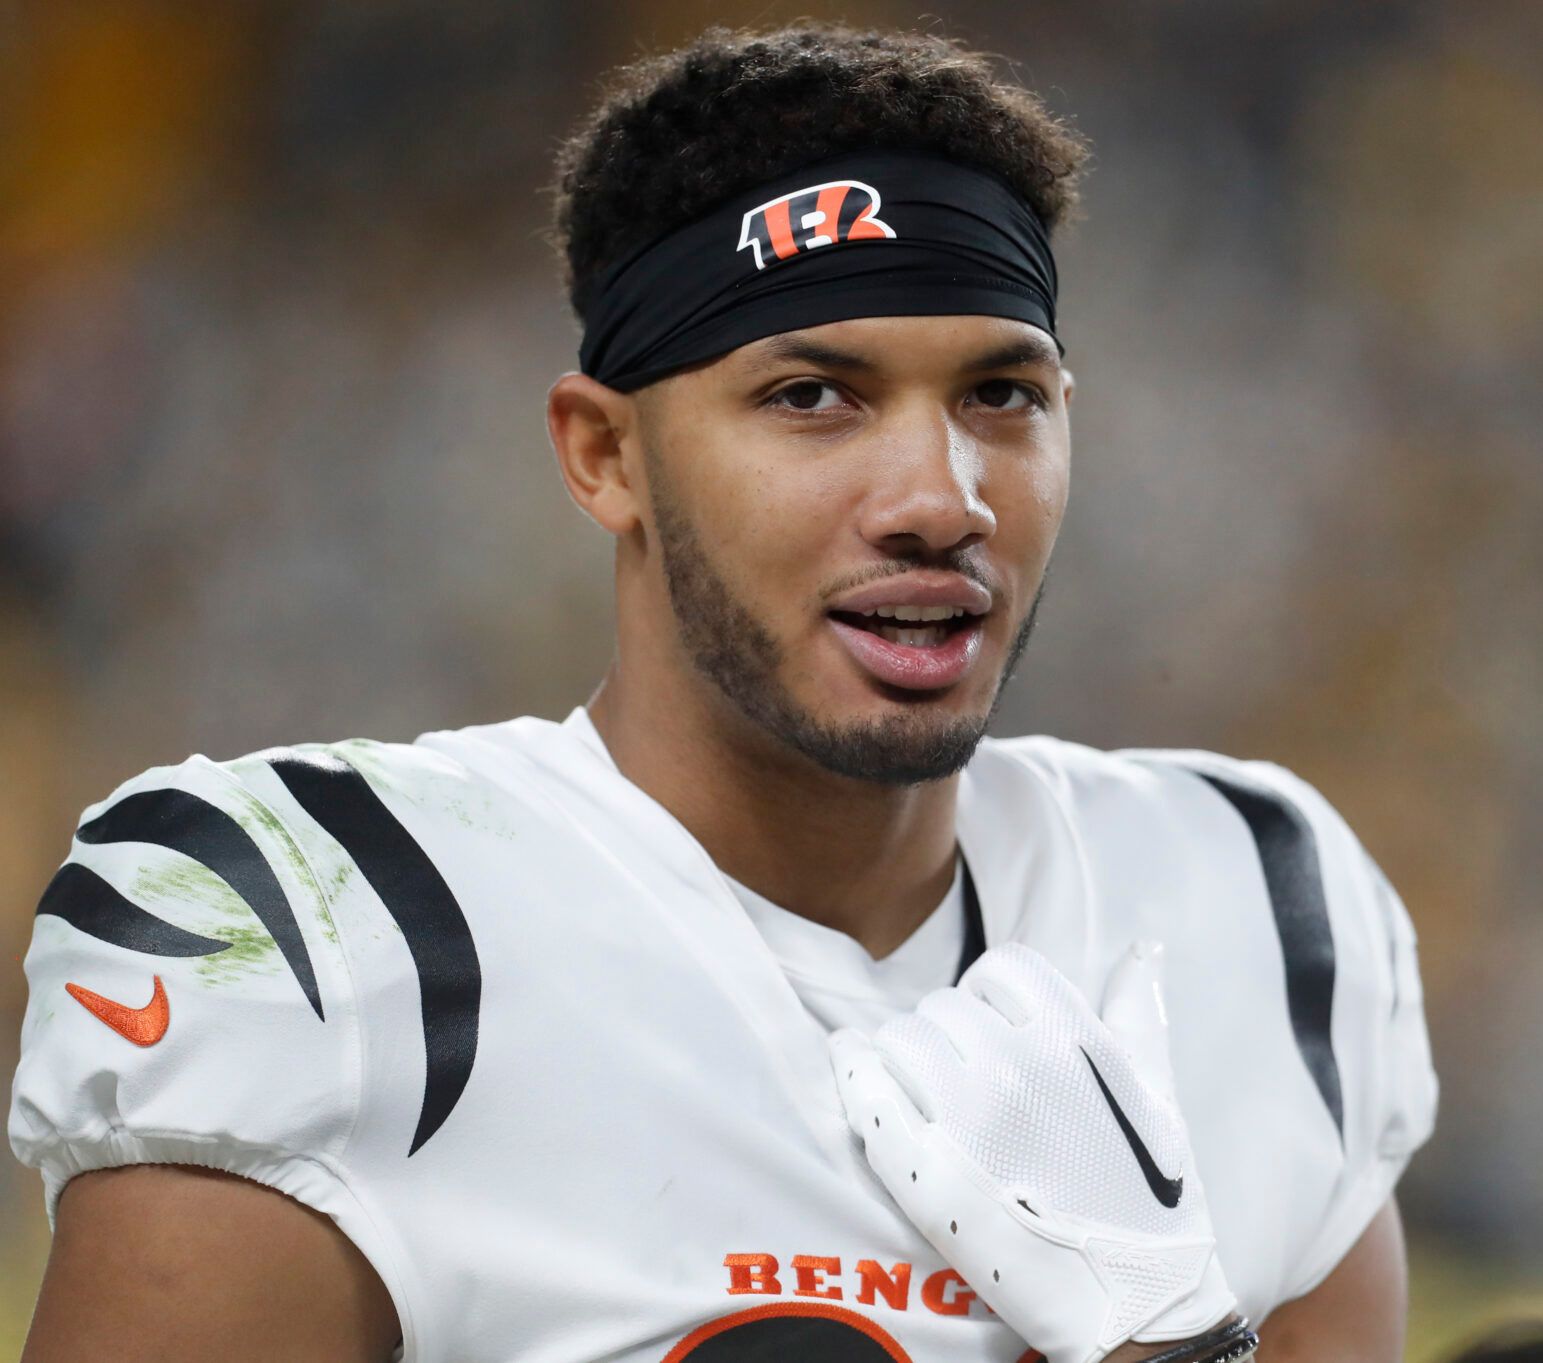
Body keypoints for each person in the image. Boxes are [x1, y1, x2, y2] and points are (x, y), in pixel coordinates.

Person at [9, 24, 1437, 1363]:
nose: (942, 501)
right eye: (812, 396)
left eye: (1003, 395)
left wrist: (1164, 1336)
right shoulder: (325, 932)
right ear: (604, 458)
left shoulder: (1260, 903)